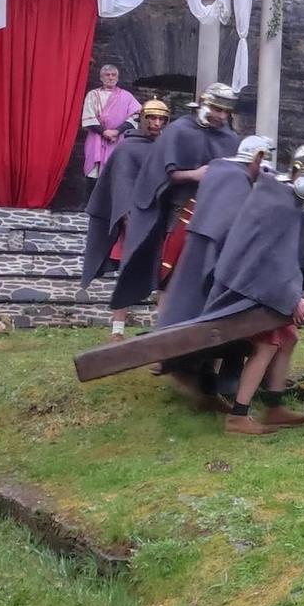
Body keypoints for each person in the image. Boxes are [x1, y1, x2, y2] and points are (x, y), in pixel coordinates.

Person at [171, 143, 304, 436]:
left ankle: (273, 407)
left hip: (262, 287)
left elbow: (281, 254)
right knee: (267, 344)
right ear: (301, 172)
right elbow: (268, 259)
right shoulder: (277, 201)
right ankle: (239, 416)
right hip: (249, 291)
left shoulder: (285, 197)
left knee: (288, 338)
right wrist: (290, 298)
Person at [153, 134, 275, 410]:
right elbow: (232, 228)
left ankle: (210, 387)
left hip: (205, 252)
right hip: (213, 259)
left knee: (206, 317)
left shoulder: (221, 171)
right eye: (263, 162)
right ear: (257, 158)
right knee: (213, 321)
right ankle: (204, 388)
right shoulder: (234, 179)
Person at [108, 83, 240, 312]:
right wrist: (194, 174)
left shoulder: (229, 138)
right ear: (204, 105)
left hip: (215, 214)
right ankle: (163, 330)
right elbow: (162, 173)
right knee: (170, 274)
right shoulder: (180, 130)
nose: (222, 116)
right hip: (181, 212)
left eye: (226, 112)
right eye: (217, 109)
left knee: (208, 271)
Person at [79, 98, 167, 337]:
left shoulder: (166, 149)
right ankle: (117, 331)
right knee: (128, 273)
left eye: (161, 119)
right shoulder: (127, 148)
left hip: (161, 222)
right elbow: (121, 186)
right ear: (142, 119)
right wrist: (128, 220)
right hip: (135, 222)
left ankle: (164, 330)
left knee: (164, 276)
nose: (157, 123)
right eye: (152, 118)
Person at [79, 64, 140, 181]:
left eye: (113, 75)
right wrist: (105, 132)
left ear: (117, 78)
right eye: (107, 75)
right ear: (101, 78)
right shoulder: (93, 95)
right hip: (96, 139)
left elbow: (136, 115)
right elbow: (89, 117)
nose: (110, 78)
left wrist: (117, 131)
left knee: (115, 175)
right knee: (93, 176)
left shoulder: (126, 96)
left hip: (117, 140)